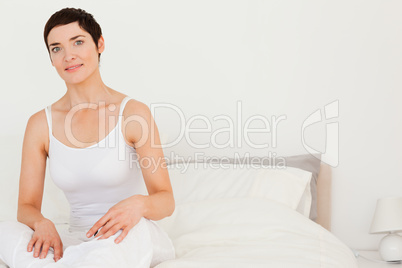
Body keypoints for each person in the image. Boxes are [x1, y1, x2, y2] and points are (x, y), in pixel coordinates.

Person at [0, 7, 175, 268]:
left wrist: (138, 205)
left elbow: (165, 200)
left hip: (126, 234)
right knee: (4, 231)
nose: (68, 55)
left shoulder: (133, 113)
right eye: (56, 48)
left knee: (107, 252)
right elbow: (26, 206)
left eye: (78, 42)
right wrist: (41, 223)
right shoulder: (40, 124)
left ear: (99, 44)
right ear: (51, 58)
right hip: (75, 239)